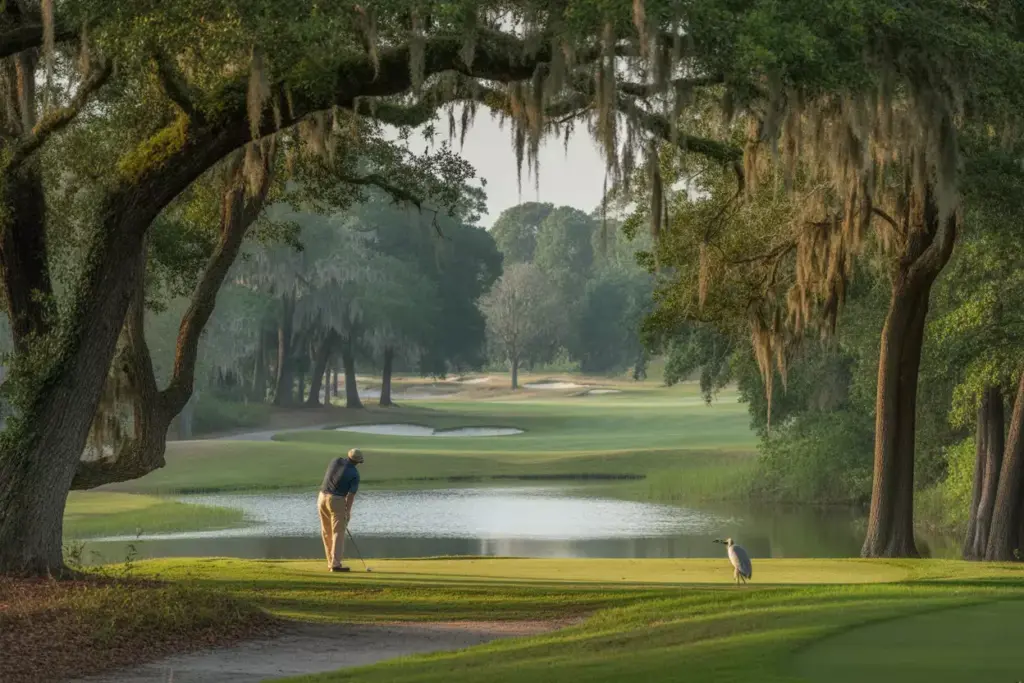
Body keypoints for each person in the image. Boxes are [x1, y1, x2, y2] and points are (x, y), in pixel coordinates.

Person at [317, 448, 363, 572]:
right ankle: (336, 564)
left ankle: (330, 563)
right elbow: (350, 496)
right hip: (336, 500)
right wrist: (347, 512)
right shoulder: (354, 474)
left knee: (326, 531)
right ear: (358, 462)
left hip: (321, 497)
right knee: (338, 532)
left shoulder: (335, 461)